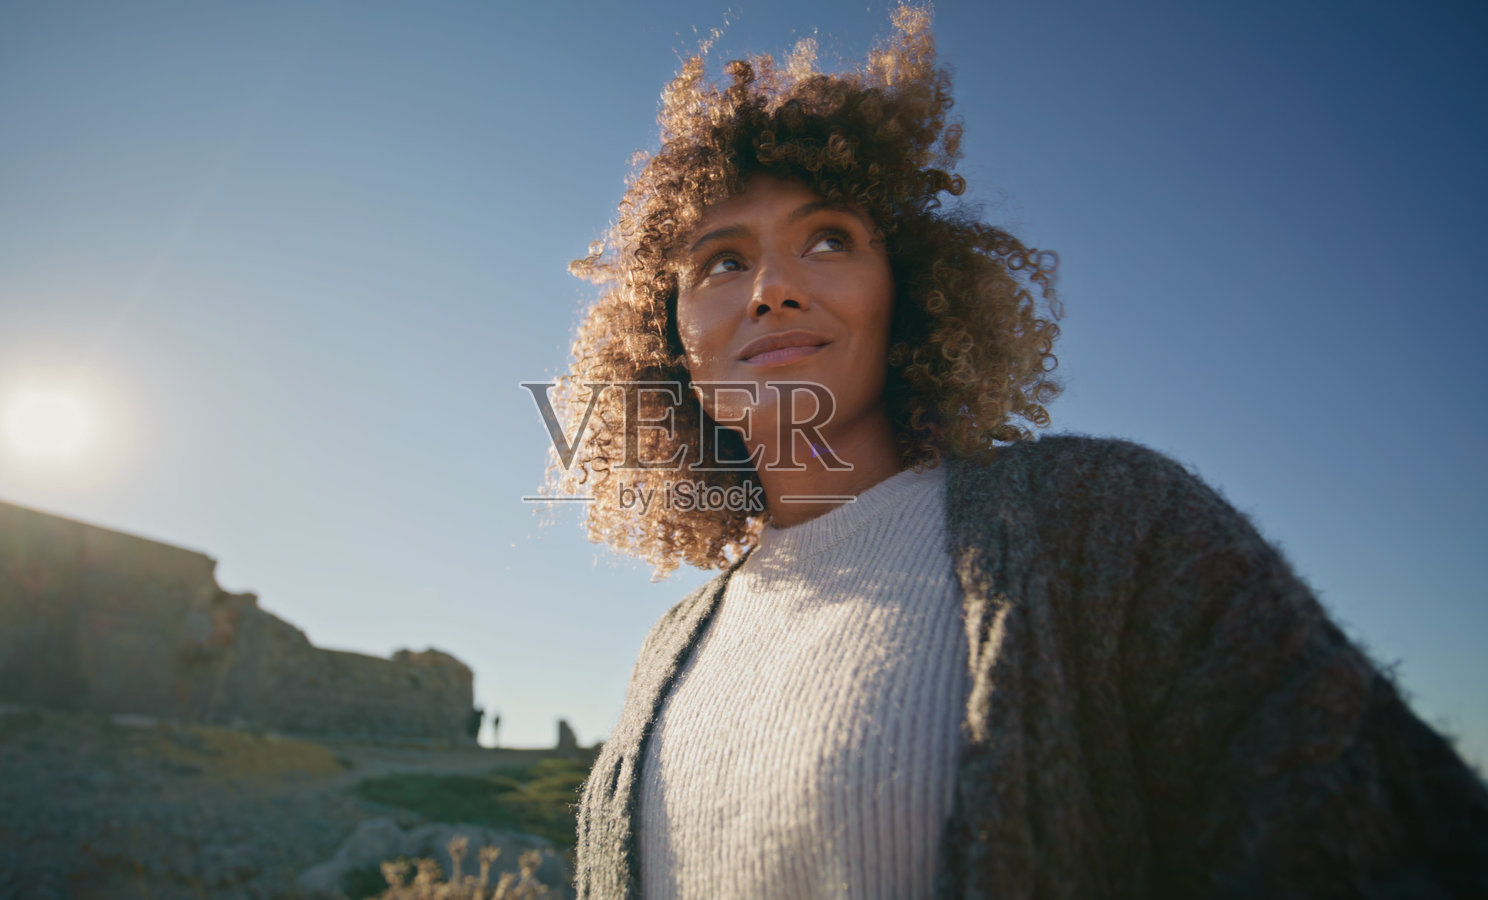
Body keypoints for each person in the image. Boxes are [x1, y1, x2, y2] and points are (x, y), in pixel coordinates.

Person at [551, 7, 1488, 898]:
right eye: (721, 260)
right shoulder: (667, 651)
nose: (773, 289)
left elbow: (1397, 847)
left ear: (908, 290)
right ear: (668, 338)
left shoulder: (1110, 522)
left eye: (828, 239)